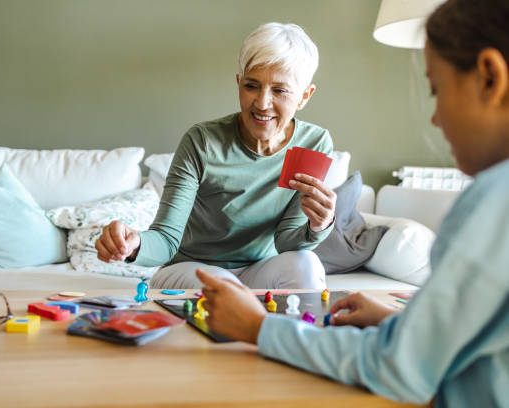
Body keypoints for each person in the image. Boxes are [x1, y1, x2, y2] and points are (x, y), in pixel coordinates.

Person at [196, 0, 509, 406]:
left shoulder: (492, 205)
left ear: (489, 77)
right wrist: (399, 322)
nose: (435, 119)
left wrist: (258, 328)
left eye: (437, 90)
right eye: (252, 85)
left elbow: (397, 369)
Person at [96, 23, 337, 289]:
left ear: (304, 96)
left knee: (307, 263)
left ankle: (293, 331)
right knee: (222, 286)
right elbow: (166, 240)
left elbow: (288, 243)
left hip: (258, 270)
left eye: (279, 91)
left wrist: (319, 225)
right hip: (190, 269)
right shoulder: (202, 141)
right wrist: (133, 243)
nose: (262, 103)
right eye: (251, 85)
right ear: (238, 83)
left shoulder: (314, 143)